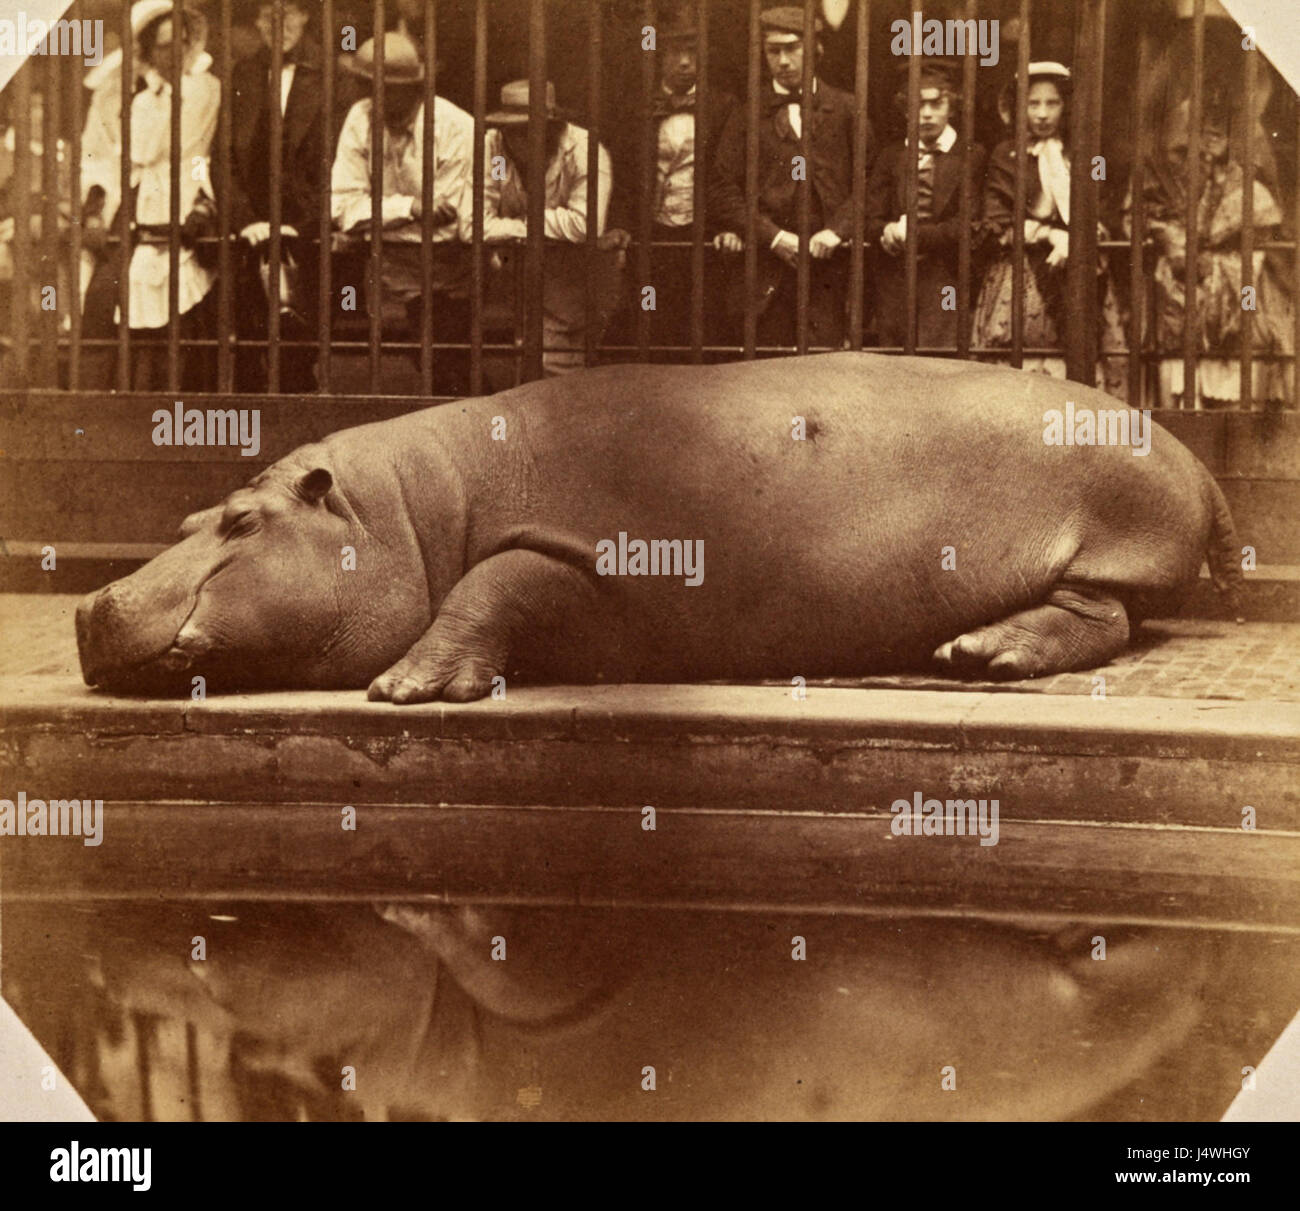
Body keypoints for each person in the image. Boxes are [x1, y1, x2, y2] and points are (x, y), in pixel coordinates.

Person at [710, 5, 869, 351]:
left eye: (792, 48)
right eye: (773, 50)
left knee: (825, 371)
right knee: (767, 373)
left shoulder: (847, 110)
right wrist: (773, 236)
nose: (783, 60)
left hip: (829, 269)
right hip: (767, 271)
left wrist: (838, 230)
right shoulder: (747, 114)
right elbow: (722, 188)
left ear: (815, 49)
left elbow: (871, 184)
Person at [78, 1, 220, 391]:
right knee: (106, 300)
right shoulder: (133, 96)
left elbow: (197, 153)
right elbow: (104, 156)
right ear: (147, 49)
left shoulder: (203, 90)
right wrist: (95, 208)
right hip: (130, 206)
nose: (174, 52)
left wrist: (201, 200)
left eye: (182, 42)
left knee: (180, 311)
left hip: (181, 202)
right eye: (163, 45)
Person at [1126, 89, 1294, 409]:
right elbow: (1145, 217)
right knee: (1180, 389)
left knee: (1243, 387)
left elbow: (1267, 238)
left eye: (1222, 126)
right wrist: (1175, 244)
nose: (1212, 133)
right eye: (1204, 125)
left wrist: (1222, 263)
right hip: (1180, 293)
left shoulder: (1250, 185)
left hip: (1241, 301)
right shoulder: (1173, 178)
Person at [331, 31, 475, 393]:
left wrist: (369, 225)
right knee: (424, 360)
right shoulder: (359, 117)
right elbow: (341, 206)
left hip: (451, 272)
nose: (370, 97)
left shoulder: (456, 127)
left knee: (447, 368)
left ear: (412, 88)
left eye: (381, 88)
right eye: (365, 86)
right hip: (388, 272)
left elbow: (448, 224)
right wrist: (411, 208)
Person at [971, 61, 1123, 390]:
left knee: (1080, 362)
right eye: (1033, 103)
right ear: (1019, 106)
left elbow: (1106, 212)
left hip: (1078, 269)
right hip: (1021, 270)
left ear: (1066, 107)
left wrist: (1079, 237)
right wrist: (1051, 234)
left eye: (1052, 103)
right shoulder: (1005, 155)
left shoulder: (1085, 155)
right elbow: (996, 221)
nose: (1042, 114)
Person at [481, 79, 623, 379]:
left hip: (580, 272)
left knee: (563, 364)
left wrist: (516, 226)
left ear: (552, 126)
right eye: (513, 128)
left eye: (528, 129)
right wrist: (535, 228)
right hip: (523, 274)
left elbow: (586, 224)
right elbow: (477, 223)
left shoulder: (584, 150)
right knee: (530, 358)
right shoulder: (495, 149)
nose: (519, 138)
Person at [224, 0, 325, 393]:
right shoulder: (244, 72)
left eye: (288, 13)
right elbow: (222, 157)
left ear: (305, 17)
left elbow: (338, 162)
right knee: (250, 340)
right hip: (252, 224)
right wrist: (244, 219)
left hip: (308, 225)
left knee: (300, 344)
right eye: (269, 15)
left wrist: (303, 223)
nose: (278, 23)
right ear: (257, 23)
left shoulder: (328, 73)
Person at [629, 4, 738, 357]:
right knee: (651, 316)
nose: (685, 62)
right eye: (676, 52)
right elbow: (624, 171)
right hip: (651, 231)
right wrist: (621, 225)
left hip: (704, 232)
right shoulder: (639, 105)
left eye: (693, 52)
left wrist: (729, 226)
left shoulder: (724, 105)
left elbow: (731, 173)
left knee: (704, 320)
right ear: (659, 56)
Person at [864, 58, 985, 350]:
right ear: (906, 109)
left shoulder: (972, 155)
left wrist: (915, 235)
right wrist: (887, 230)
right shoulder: (891, 156)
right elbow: (869, 216)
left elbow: (969, 226)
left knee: (940, 364)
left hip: (946, 277)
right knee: (894, 365)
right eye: (918, 105)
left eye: (936, 104)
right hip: (895, 279)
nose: (927, 114)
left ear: (952, 106)